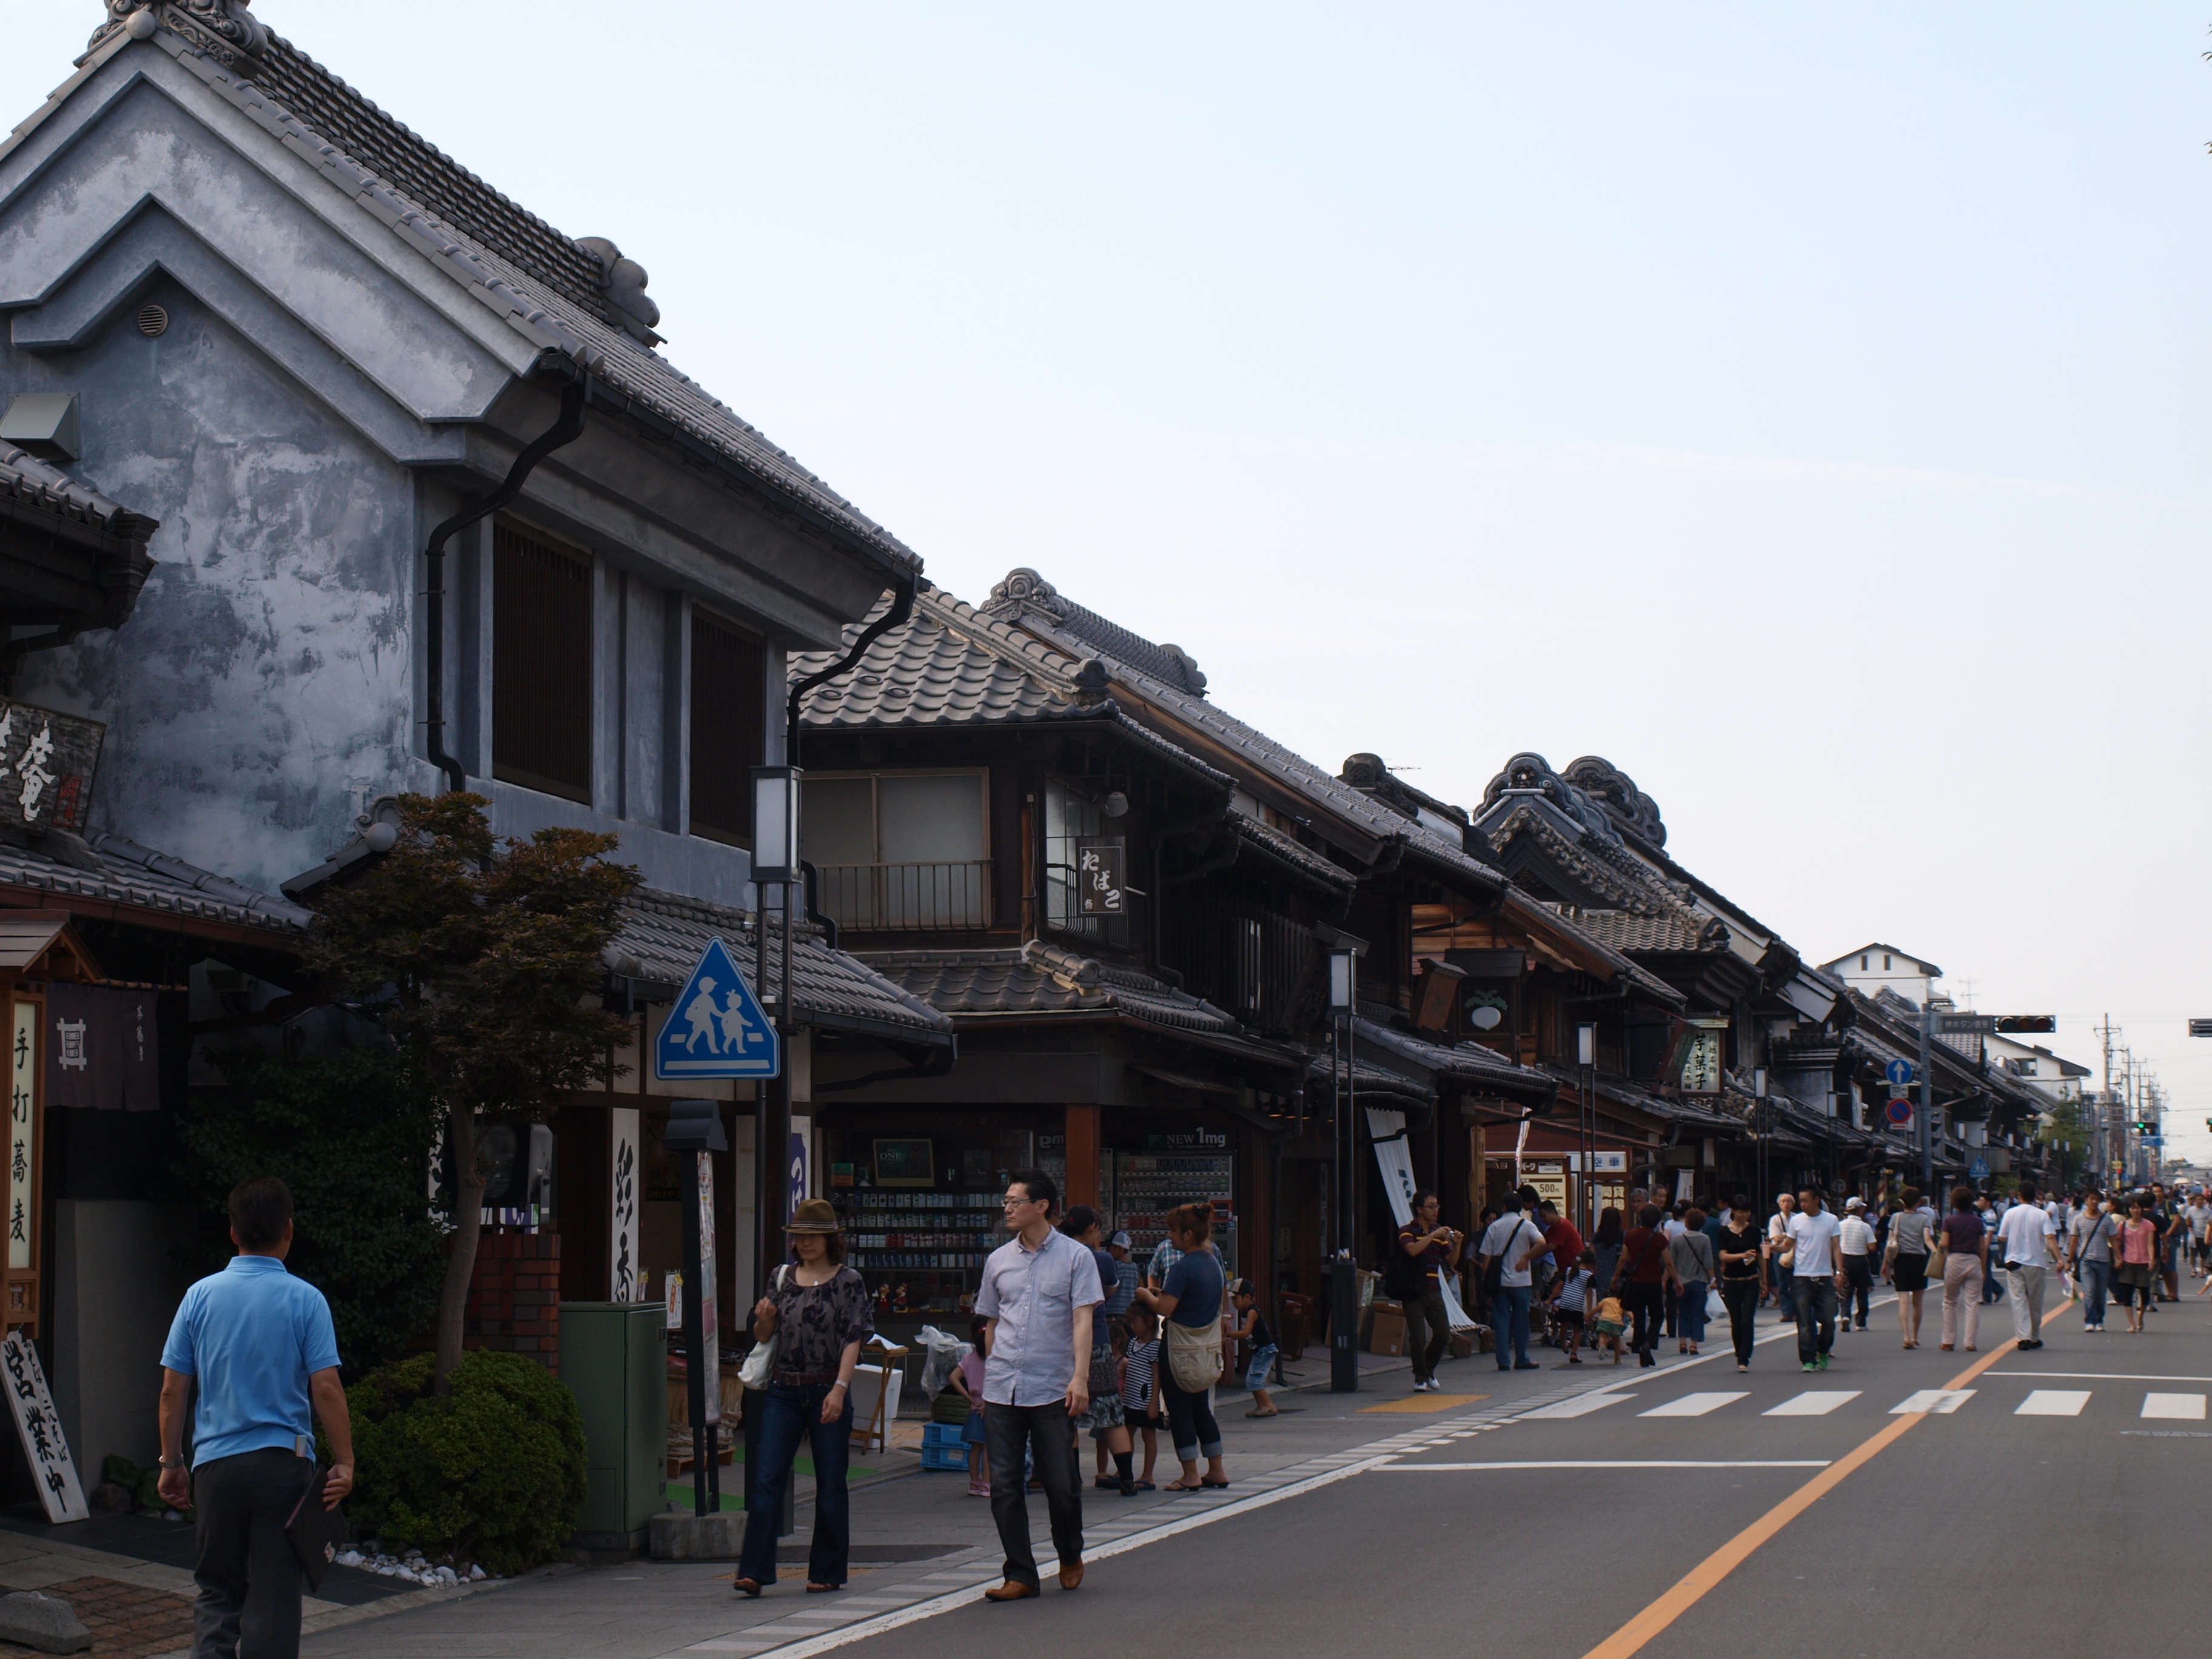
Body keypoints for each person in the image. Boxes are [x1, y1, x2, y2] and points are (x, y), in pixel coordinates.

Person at [157, 1176, 352, 1659]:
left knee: (217, 1593)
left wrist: (171, 1462)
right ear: (290, 1230)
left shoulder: (198, 1297)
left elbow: (171, 1391)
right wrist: (345, 1462)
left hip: (216, 1468)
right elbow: (325, 1387)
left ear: (233, 1232)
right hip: (283, 1468)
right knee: (272, 1598)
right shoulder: (306, 1300)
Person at [736, 1198, 873, 1598]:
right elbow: (765, 1338)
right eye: (799, 1236)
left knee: (831, 1482)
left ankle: (827, 1571)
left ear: (832, 1239)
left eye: (813, 1237)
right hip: (783, 1387)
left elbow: (854, 1337)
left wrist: (840, 1389)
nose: (805, 1243)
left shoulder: (849, 1281)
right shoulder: (781, 1278)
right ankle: (754, 1571)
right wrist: (765, 1318)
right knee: (767, 1479)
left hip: (828, 1385)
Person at [974, 1170, 1100, 1601]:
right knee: (1005, 1483)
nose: (1007, 1209)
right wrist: (989, 1374)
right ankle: (1021, 1573)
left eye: (1015, 1202)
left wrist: (1080, 1378)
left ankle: (1069, 1552)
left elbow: (1084, 1319)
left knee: (1061, 1482)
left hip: (1052, 1385)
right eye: (1006, 1201)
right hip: (1003, 1385)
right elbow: (991, 1321)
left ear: (1041, 1207)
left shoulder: (1075, 1257)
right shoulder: (999, 1261)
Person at [1133, 1203, 1228, 1493]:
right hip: (1205, 1349)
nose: (1170, 1237)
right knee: (1202, 1410)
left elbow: (1165, 1307)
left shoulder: (1183, 1267)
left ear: (1188, 1235)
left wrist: (1144, 1295)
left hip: (1178, 1349)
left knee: (1180, 1411)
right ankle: (1217, 1470)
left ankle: (1190, 1474)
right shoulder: (1212, 1262)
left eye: (1173, 1232)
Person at [1060, 1207, 1135, 1498]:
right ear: (1092, 1227)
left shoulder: (1058, 1256)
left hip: (1064, 1344)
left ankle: (1073, 1481)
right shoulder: (1101, 1259)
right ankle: (1127, 1479)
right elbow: (1110, 1292)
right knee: (1110, 1410)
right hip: (1099, 1342)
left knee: (1066, 1414)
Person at [1396, 1190, 1463, 1393]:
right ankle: (1420, 1377)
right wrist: (1433, 1235)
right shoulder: (1406, 1230)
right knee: (1417, 1337)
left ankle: (1428, 1370)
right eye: (1431, 1206)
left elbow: (1452, 1261)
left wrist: (1457, 1244)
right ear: (1419, 1209)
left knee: (1443, 1333)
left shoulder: (1439, 1234)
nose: (1436, 1210)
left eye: (1437, 1206)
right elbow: (1413, 1250)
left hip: (1434, 1290)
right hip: (1413, 1291)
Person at [1476, 1193, 1548, 1372]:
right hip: (1522, 1282)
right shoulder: (1527, 1225)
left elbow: (1486, 1259)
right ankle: (1522, 1358)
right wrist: (1527, 1257)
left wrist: (1488, 1283)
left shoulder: (1495, 1227)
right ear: (1521, 1208)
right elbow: (1542, 1242)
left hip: (1500, 1283)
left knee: (1501, 1321)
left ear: (1505, 1208)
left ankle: (1503, 1361)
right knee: (1522, 1321)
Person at [1780, 1187, 1847, 1373]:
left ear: (1817, 1200)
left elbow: (1836, 1247)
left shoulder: (1831, 1220)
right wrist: (1772, 1248)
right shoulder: (1796, 1221)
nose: (1802, 1204)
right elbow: (1788, 1246)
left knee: (1829, 1318)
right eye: (1800, 1201)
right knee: (1804, 1322)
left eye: (1805, 1201)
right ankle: (1808, 1359)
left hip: (1825, 1276)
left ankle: (1823, 1350)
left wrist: (1839, 1272)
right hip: (1801, 1277)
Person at [1611, 1204, 1677, 1369]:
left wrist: (1616, 1276)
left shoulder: (1631, 1236)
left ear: (1640, 1218)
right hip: (1653, 1283)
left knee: (1639, 1318)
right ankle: (1648, 1344)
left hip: (1636, 1283)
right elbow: (1668, 1262)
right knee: (1657, 1316)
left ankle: (1640, 1349)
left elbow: (1623, 1258)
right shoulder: (1659, 1239)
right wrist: (1677, 1281)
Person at [1995, 1181, 2058, 1350]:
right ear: (2035, 1196)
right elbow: (2051, 1237)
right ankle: (2035, 1336)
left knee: (2019, 1300)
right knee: (2035, 1301)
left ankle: (2023, 1337)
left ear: (2020, 1195)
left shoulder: (2010, 1213)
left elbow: (2002, 1237)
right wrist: (2060, 1259)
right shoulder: (2042, 1215)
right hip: (2036, 1263)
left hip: (2015, 1262)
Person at [1938, 1185, 1987, 1352]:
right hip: (1974, 1261)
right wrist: (1983, 1268)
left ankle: (1948, 1340)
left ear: (1954, 1203)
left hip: (1955, 1260)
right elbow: (1983, 1247)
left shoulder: (1949, 1221)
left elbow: (1944, 1244)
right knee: (1972, 1303)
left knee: (1950, 1301)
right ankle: (1970, 1342)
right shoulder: (1978, 1222)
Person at [1717, 1198, 1763, 1372]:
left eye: (1747, 1212)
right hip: (1731, 1281)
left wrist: (1764, 1279)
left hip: (1751, 1280)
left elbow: (1759, 1256)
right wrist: (1742, 1255)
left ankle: (1744, 1358)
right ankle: (1739, 1354)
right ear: (1734, 1212)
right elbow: (1723, 1256)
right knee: (1736, 1321)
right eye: (1741, 1211)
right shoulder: (1724, 1232)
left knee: (1747, 1320)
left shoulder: (1755, 1231)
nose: (1745, 1215)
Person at [1884, 1187, 1934, 1349]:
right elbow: (1927, 1239)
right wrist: (1937, 1253)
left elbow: (1890, 1243)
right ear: (1918, 1202)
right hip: (1919, 1260)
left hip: (1901, 1260)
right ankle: (1915, 1336)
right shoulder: (1924, 1219)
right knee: (1918, 1303)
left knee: (1903, 1301)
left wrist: (1886, 1264)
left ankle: (1906, 1337)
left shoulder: (1895, 1218)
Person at [951, 1316, 993, 1497]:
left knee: (975, 1448)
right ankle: (987, 1484)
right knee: (989, 1449)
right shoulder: (994, 1358)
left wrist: (969, 1397)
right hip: (990, 1407)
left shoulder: (968, 1359)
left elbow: (953, 1377)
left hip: (974, 1408)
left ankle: (974, 1482)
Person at [1120, 1309, 1161, 1490]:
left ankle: (1148, 1475)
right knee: (1127, 1433)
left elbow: (1156, 1375)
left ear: (1150, 1321)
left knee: (1148, 1434)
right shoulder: (1133, 1344)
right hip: (1130, 1397)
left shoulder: (1154, 1346)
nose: (1132, 1326)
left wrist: (1154, 1402)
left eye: (1135, 1322)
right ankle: (1124, 1470)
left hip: (1145, 1399)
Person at [1227, 1278, 1278, 1415]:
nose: (1234, 1303)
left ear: (1247, 1297)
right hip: (1259, 1350)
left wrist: (1229, 1335)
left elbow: (1246, 1332)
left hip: (1265, 1349)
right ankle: (1261, 1406)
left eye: (1236, 1299)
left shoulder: (1252, 1312)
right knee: (1251, 1380)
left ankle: (1269, 1406)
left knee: (1255, 1380)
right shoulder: (1245, 1312)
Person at [1668, 1208, 1715, 1357]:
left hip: (1681, 1281)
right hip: (1699, 1281)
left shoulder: (1677, 1239)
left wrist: (1669, 1279)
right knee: (1697, 1313)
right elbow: (1708, 1263)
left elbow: (1671, 1262)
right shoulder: (1705, 1239)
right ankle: (1694, 1344)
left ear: (1687, 1223)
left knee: (1682, 1312)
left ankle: (1682, 1341)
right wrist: (1713, 1280)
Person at [2116, 1197, 2159, 1334]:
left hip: (2143, 1262)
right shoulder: (2123, 1226)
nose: (2135, 1210)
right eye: (2133, 1208)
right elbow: (2117, 1243)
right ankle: (2132, 1324)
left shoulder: (2149, 1225)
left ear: (2142, 1209)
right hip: (2128, 1262)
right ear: (2129, 1210)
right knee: (2128, 1294)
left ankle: (2140, 1317)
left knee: (2145, 1295)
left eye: (2138, 1208)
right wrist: (2118, 1258)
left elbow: (2151, 1244)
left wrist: (2151, 1259)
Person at [1544, 1251, 1595, 1365]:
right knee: (1577, 1330)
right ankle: (1574, 1353)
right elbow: (1589, 1294)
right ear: (1590, 1263)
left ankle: (1563, 1344)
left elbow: (1558, 1286)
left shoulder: (1569, 1271)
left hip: (1565, 1303)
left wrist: (1550, 1299)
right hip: (1577, 1305)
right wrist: (1590, 1312)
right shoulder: (1589, 1276)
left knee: (1564, 1326)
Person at [2073, 1191, 2113, 1332]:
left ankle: (2100, 1319)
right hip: (2086, 1261)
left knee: (2101, 1293)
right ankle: (2090, 1320)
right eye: (2091, 1199)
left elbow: (2114, 1239)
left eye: (2097, 1199)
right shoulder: (2078, 1219)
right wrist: (2070, 1260)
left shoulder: (2107, 1219)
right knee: (2089, 1292)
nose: (2094, 1202)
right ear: (2086, 1200)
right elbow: (2074, 1240)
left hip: (2104, 1261)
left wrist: (2119, 1257)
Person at [1837, 1197, 1875, 1332]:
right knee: (1862, 1292)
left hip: (1844, 1260)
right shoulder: (1865, 1227)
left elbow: (1834, 1245)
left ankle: (1845, 1316)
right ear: (1861, 1210)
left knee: (1846, 1290)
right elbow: (1872, 1247)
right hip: (1860, 1261)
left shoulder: (1840, 1225)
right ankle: (1861, 1322)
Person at [1766, 1193, 1798, 1324]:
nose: (1786, 1204)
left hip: (1795, 1252)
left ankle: (1797, 1311)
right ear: (1779, 1204)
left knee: (1796, 1283)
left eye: (1789, 1201)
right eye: (1783, 1202)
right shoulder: (1775, 1219)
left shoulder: (1798, 1218)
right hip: (1780, 1252)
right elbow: (1776, 1238)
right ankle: (1786, 1312)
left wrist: (1784, 1236)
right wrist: (1789, 1236)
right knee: (1782, 1284)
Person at [1589, 1208, 1625, 1309]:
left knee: (1603, 1304)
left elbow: (1592, 1257)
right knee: (1620, 1306)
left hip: (1601, 1276)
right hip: (1619, 1275)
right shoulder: (1623, 1236)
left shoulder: (1595, 1238)